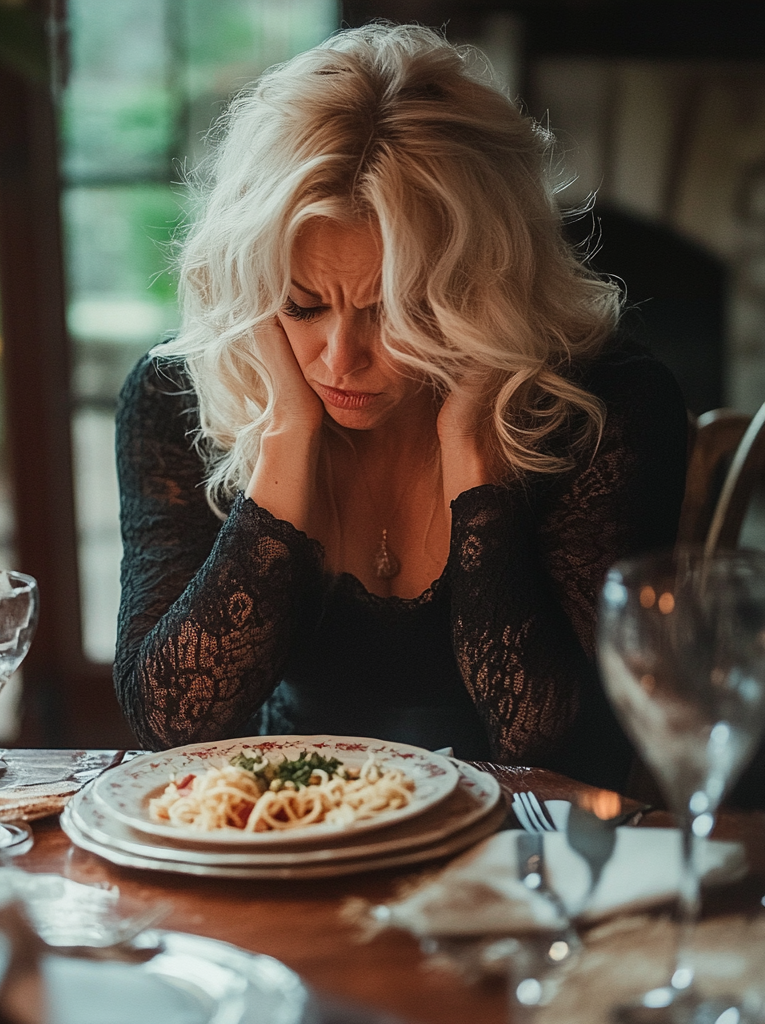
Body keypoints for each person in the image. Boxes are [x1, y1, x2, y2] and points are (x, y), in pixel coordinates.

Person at [112, 22, 688, 791]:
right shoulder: (175, 397)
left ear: (481, 290)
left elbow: (556, 744)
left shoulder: (604, 410)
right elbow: (168, 719)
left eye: (395, 311)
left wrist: (474, 465)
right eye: (302, 304)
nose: (340, 358)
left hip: (523, 865)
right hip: (287, 848)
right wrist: (287, 437)